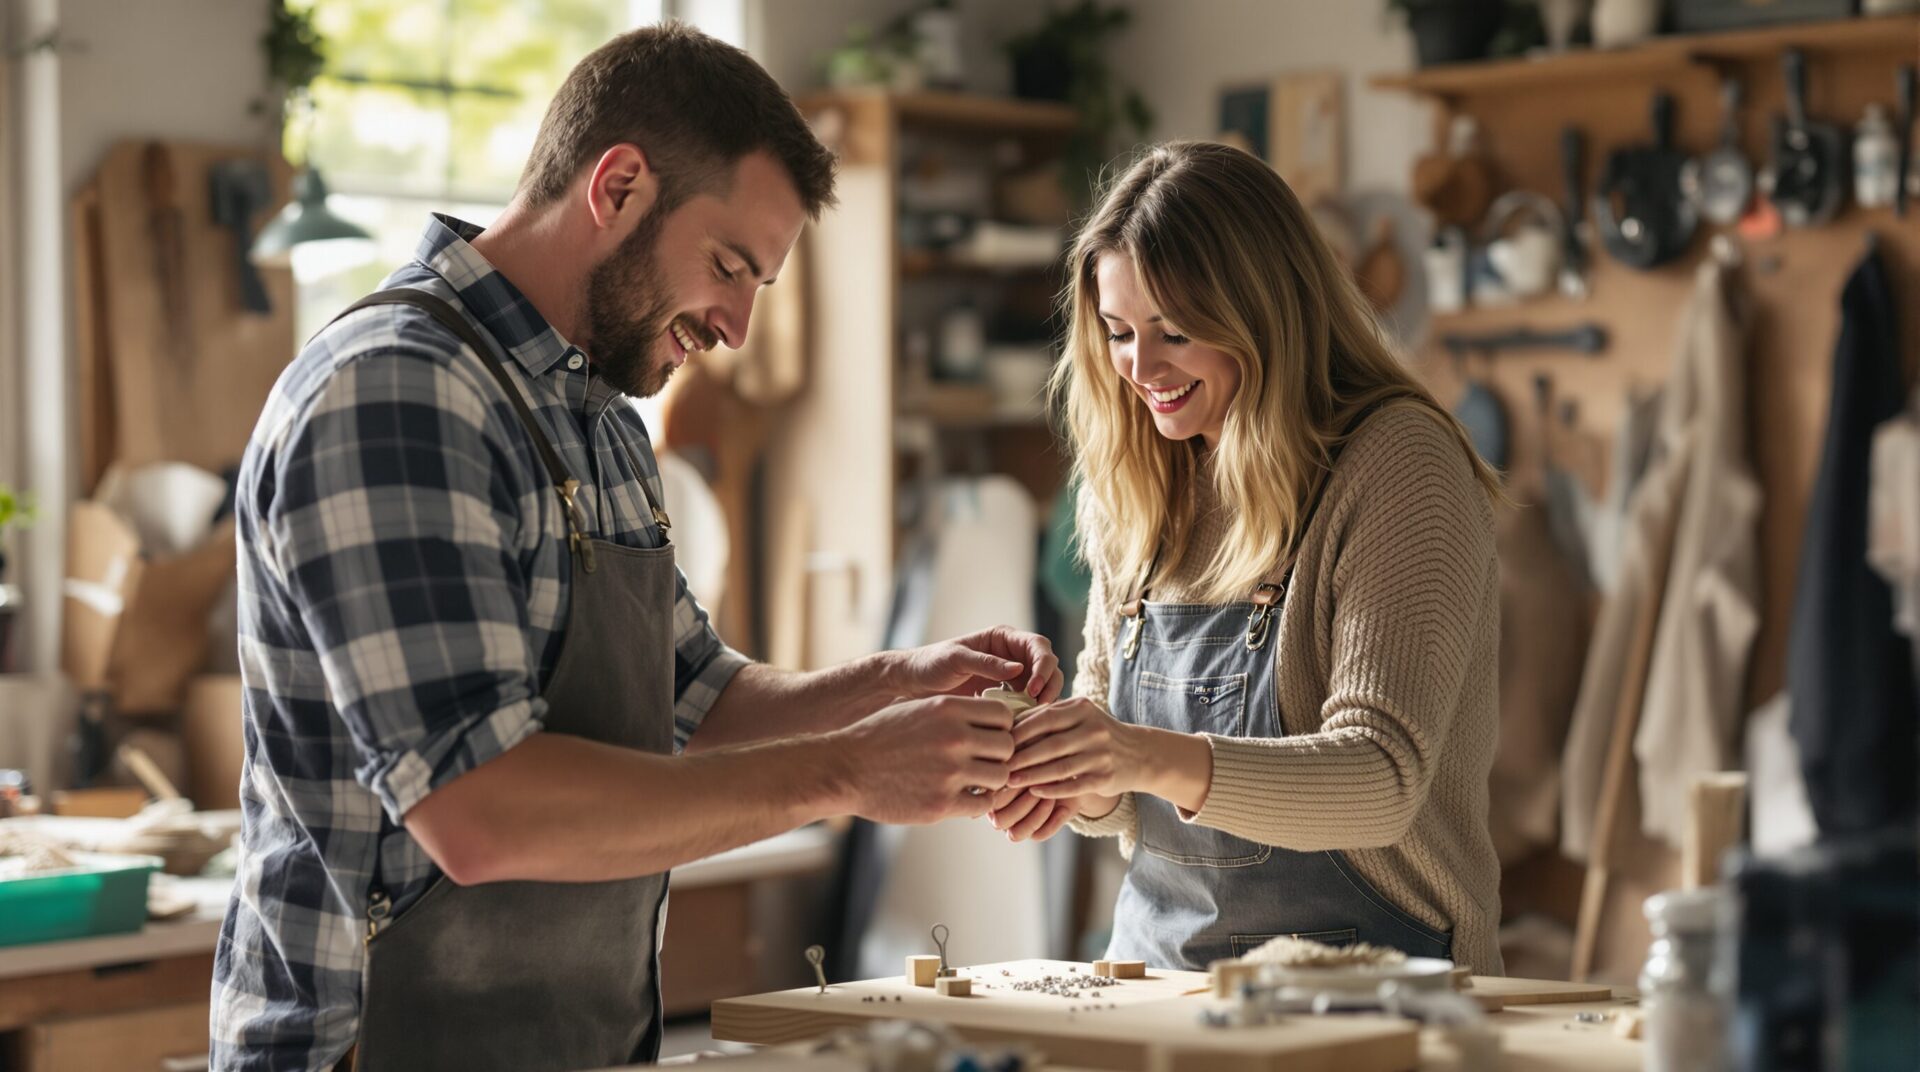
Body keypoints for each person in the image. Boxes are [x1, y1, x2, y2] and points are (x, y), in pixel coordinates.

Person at [212, 23, 1060, 1072]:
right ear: (617, 188)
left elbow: (694, 695)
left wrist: (896, 684)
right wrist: (849, 770)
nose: (737, 327)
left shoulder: (601, 417)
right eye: (728, 266)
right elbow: (479, 812)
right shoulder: (395, 391)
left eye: (758, 286)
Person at [987, 141, 1506, 975]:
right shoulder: (1135, 478)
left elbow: (1380, 780)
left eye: (1175, 332)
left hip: (1373, 994)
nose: (1141, 369)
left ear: (1263, 313)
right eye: (1118, 333)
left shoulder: (1398, 464)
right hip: (1159, 983)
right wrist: (1065, 770)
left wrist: (1138, 753)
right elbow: (1120, 800)